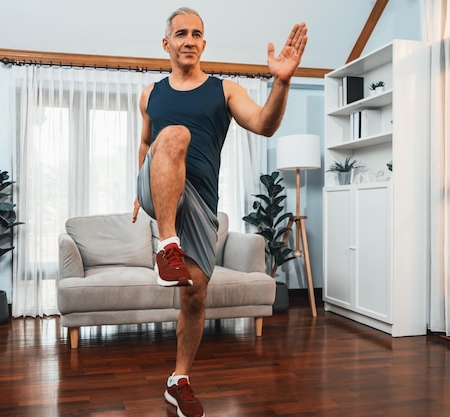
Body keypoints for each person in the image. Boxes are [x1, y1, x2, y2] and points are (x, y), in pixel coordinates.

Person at [132, 7, 307, 417]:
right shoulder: (150, 93)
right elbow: (146, 143)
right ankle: (167, 245)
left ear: (203, 44)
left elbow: (264, 124)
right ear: (167, 44)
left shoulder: (225, 90)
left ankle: (179, 381)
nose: (188, 40)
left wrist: (281, 82)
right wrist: (139, 188)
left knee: (194, 297)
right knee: (174, 135)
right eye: (180, 34)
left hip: (200, 203)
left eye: (196, 34)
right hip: (161, 190)